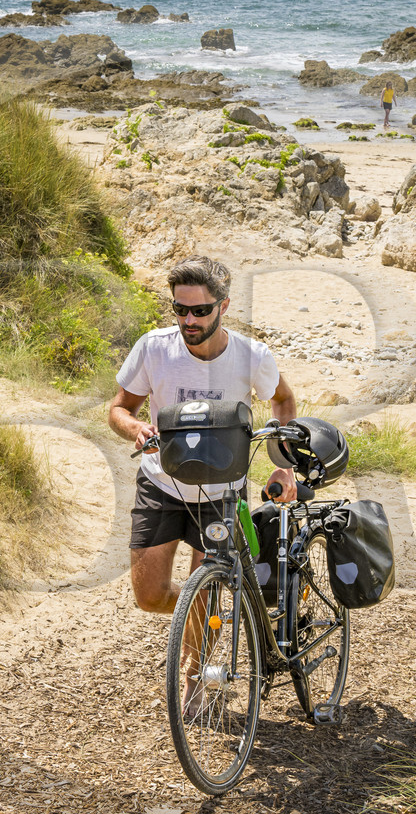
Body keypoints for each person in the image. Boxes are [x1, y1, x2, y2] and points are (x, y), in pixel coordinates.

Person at [108, 255, 297, 618]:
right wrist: (136, 428)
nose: (188, 320)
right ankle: (196, 613)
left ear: (223, 305)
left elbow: (283, 400)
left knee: (207, 591)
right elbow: (119, 409)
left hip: (222, 492)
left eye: (199, 310)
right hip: (161, 484)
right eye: (180, 309)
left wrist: (283, 465)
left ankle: (197, 672)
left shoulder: (251, 356)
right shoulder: (154, 347)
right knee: (149, 596)